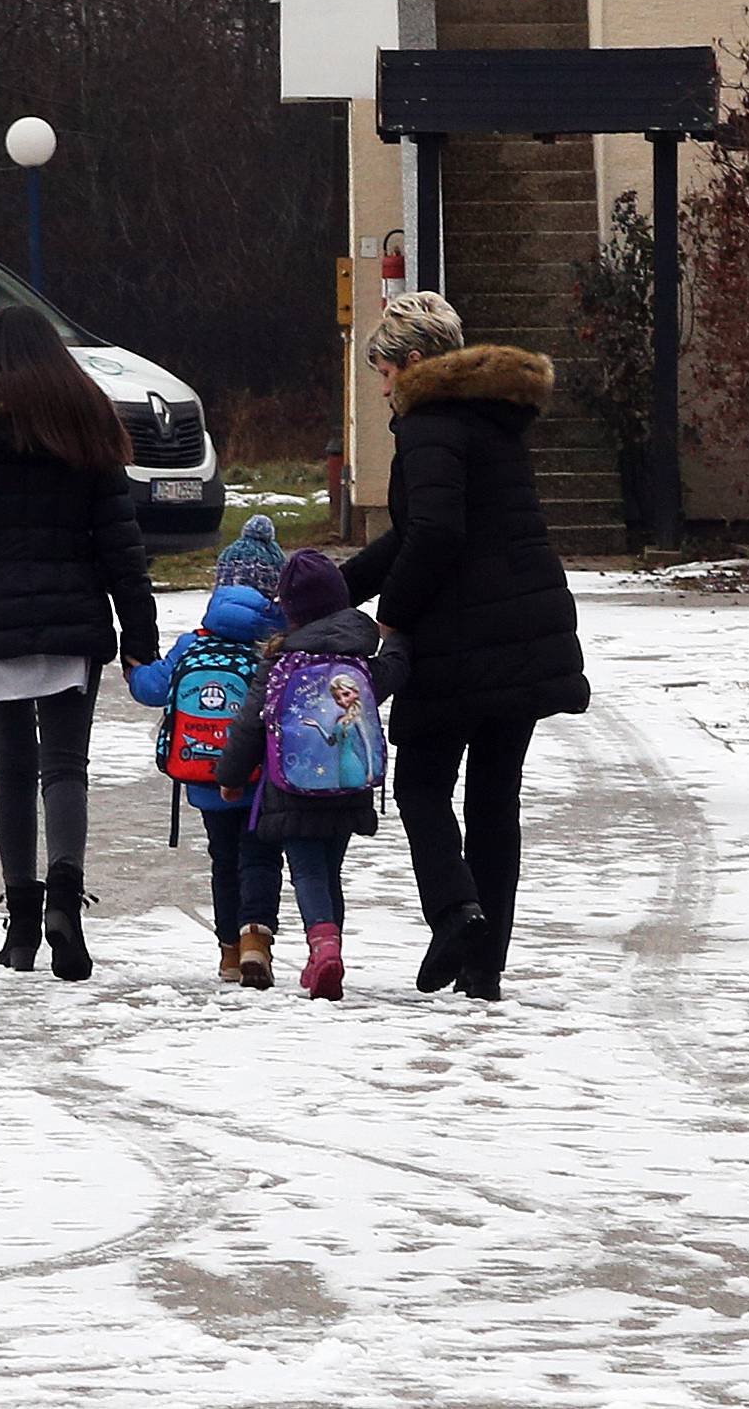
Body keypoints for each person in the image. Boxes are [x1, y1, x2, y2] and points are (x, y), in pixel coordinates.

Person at [343, 290, 589, 1002]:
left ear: (414, 362)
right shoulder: (494, 420)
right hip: (522, 634)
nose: (382, 386)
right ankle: (485, 967)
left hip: (458, 640)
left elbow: (436, 534)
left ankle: (455, 913)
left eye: (384, 372)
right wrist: (338, 586)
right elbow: (419, 529)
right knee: (493, 800)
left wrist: (390, 618)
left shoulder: (427, 429)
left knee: (420, 784)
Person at [0, 305, 158, 982]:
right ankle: (65, 906)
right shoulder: (86, 420)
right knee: (66, 766)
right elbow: (120, 545)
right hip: (75, 614)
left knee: (12, 767)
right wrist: (140, 637)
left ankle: (20, 924)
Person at [215, 549, 409, 1002]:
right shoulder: (359, 657)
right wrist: (398, 638)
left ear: (290, 611)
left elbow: (250, 723)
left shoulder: (282, 662)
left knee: (307, 872)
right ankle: (330, 948)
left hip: (292, 789)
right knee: (331, 869)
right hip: (347, 782)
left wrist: (231, 775)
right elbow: (395, 671)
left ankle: (322, 949)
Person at [127, 516, 286, 987]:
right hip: (260, 779)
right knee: (259, 855)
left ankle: (229, 954)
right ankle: (257, 937)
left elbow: (155, 688)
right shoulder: (271, 645)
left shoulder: (191, 643)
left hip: (203, 776)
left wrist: (134, 670)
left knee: (223, 860)